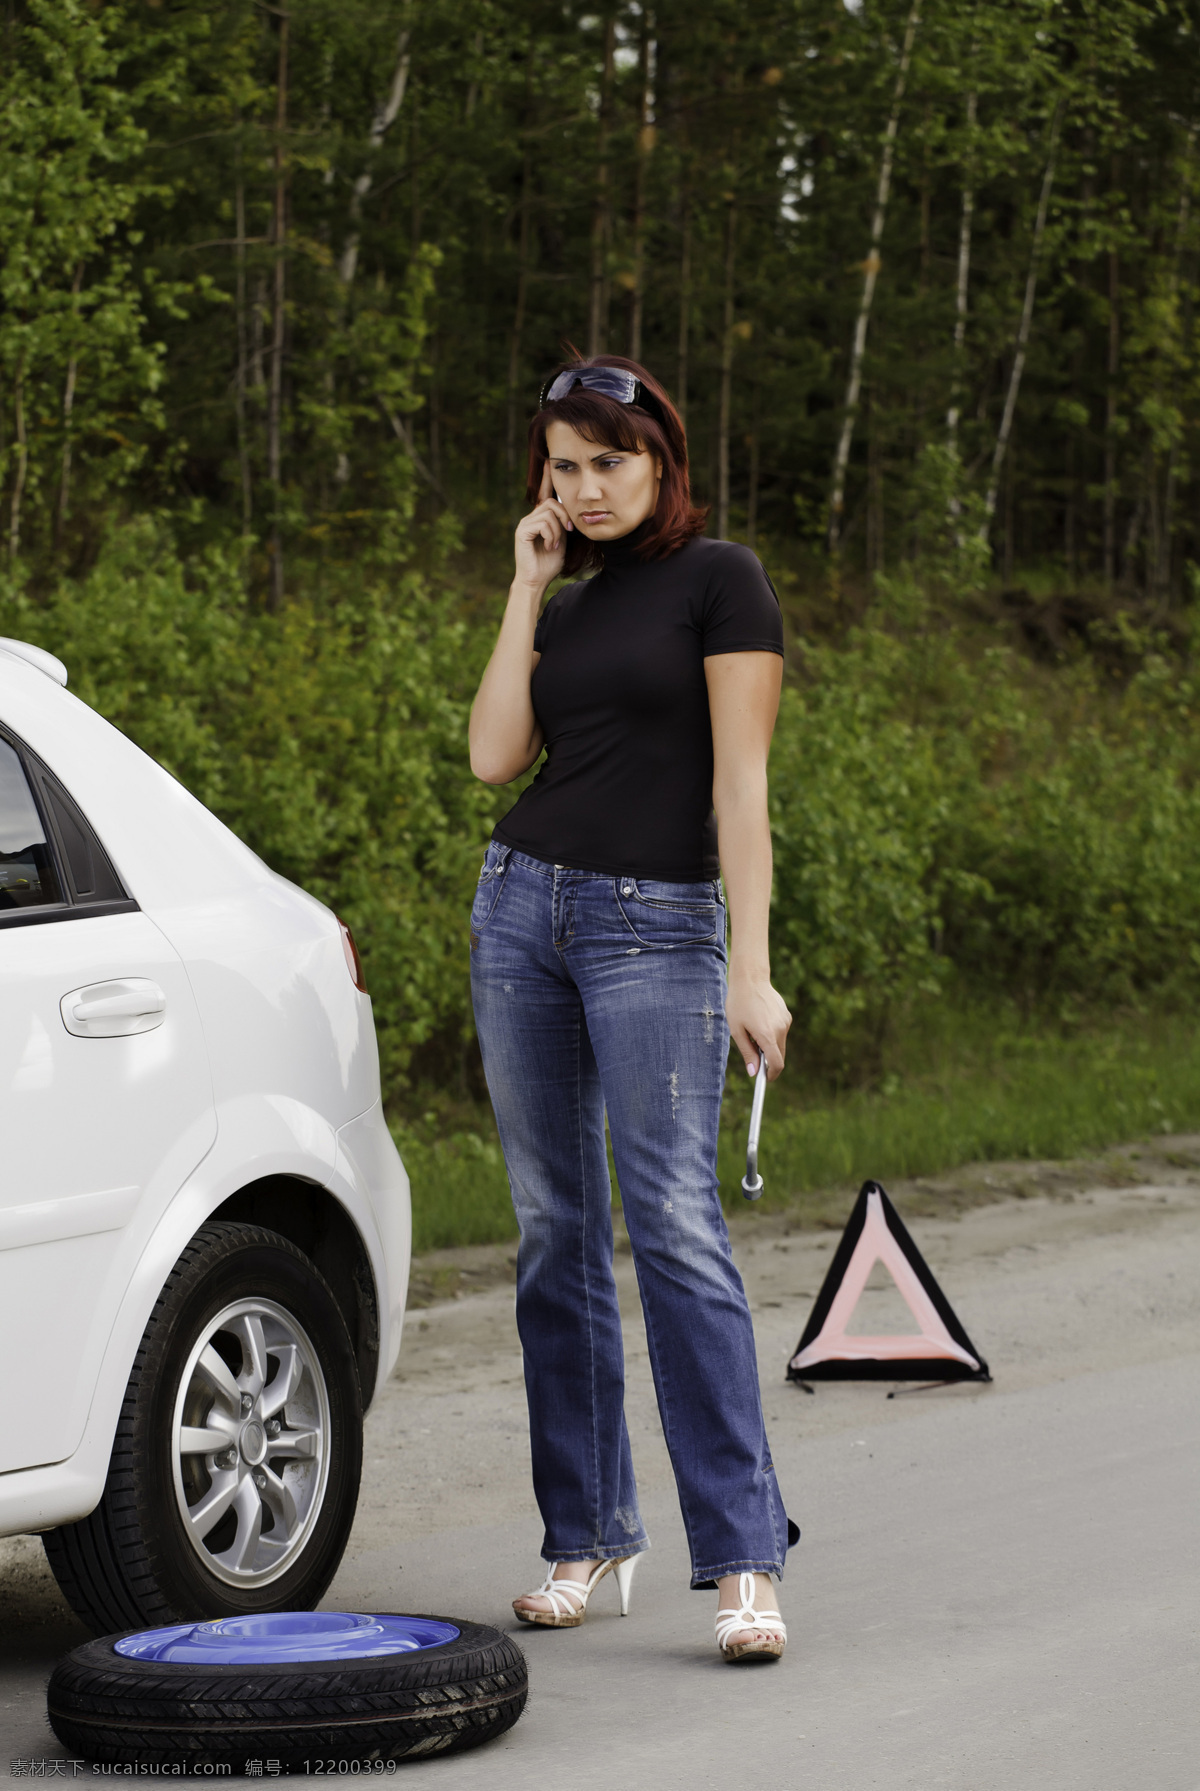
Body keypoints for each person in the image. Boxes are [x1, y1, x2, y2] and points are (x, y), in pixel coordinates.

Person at [467, 354, 796, 1664]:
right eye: (564, 466)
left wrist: (750, 966)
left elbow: (742, 794)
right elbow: (497, 757)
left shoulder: (724, 582)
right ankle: (589, 1534)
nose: (586, 488)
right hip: (519, 908)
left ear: (660, 461)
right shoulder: (569, 599)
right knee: (555, 1231)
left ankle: (744, 1559)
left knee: (670, 1224)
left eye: (609, 462)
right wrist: (525, 583)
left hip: (656, 922)